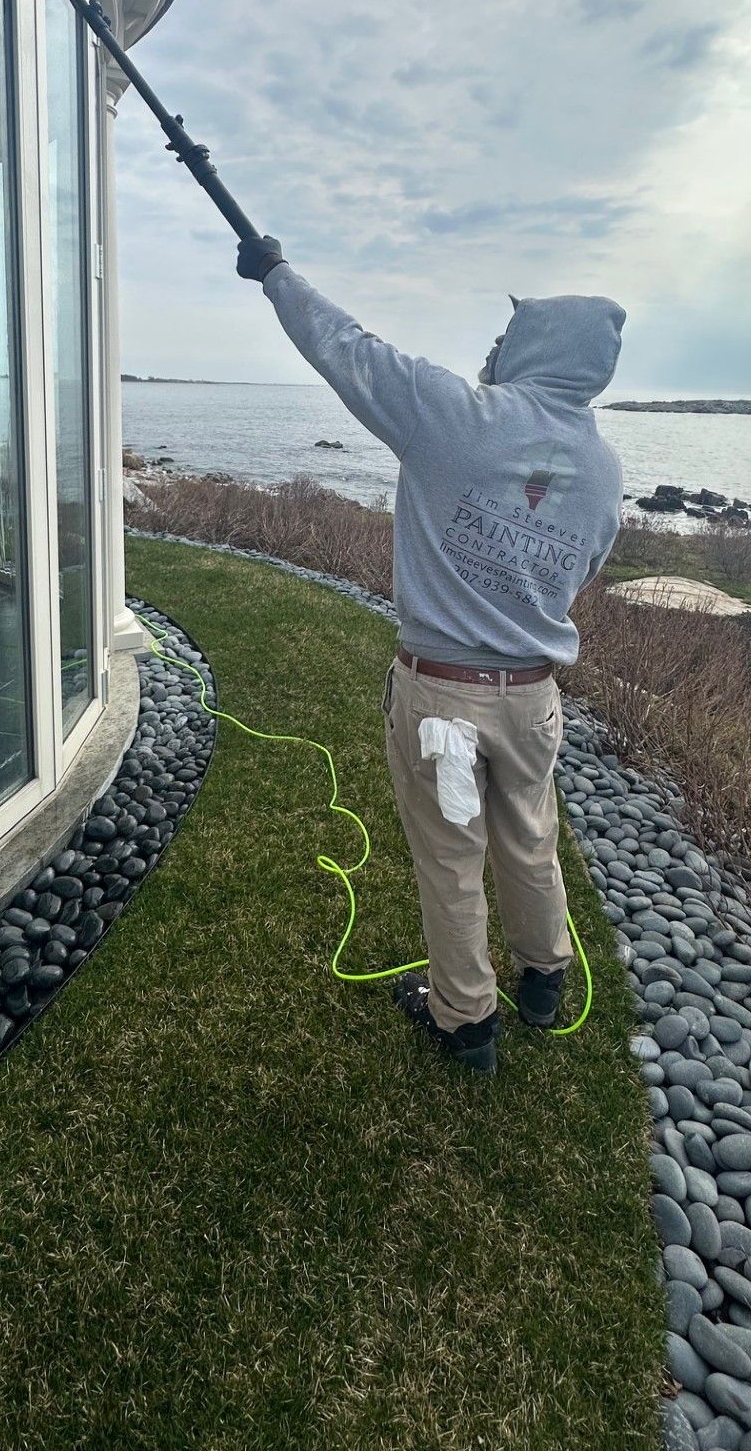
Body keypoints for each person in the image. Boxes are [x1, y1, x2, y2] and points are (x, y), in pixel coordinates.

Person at [237, 233, 625, 1075]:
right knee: (528, 835)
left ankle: (465, 1022)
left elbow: (347, 349)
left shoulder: (456, 416)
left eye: (510, 336)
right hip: (532, 701)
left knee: (452, 860)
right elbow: (583, 569)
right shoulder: (604, 469)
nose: (495, 347)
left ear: (536, 347)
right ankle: (545, 976)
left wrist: (274, 272)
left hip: (444, 701)